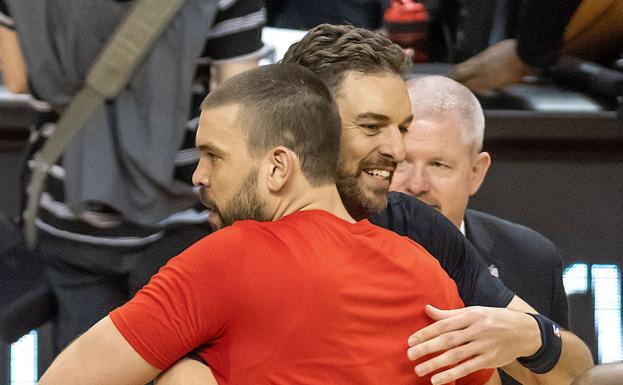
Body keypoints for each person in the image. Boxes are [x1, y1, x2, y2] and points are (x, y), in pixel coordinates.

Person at [157, 24, 593, 385]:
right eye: (371, 126)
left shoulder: (418, 231)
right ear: (306, 126)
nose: (397, 151)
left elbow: (573, 372)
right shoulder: (231, 222)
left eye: (400, 128)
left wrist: (533, 336)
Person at [38, 63, 500, 385]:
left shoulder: (228, 257)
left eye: (213, 156)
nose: (198, 176)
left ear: (278, 167)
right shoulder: (425, 272)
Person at [0, 0, 265, 356]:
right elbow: (237, 105)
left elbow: (17, 81)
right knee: (176, 365)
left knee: (85, 368)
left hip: (70, 212)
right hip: (181, 218)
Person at [389, 75, 570, 385]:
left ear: (476, 172)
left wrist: (532, 338)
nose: (416, 185)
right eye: (402, 162)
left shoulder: (532, 258)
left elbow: (571, 374)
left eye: (438, 165)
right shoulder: (336, 249)